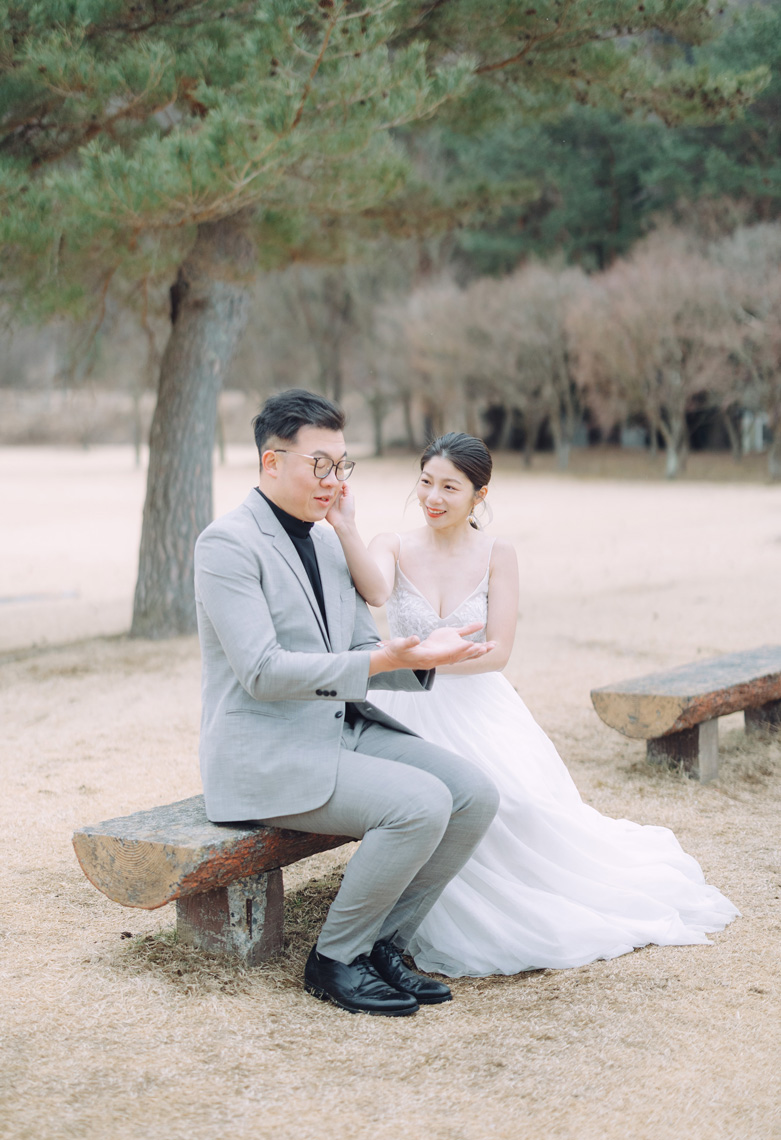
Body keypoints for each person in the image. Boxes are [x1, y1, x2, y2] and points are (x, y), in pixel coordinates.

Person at [325, 431, 739, 977]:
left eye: (450, 487)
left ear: (479, 494)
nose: (433, 497)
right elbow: (377, 592)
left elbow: (497, 653)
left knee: (520, 804)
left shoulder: (498, 553)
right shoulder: (393, 545)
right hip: (406, 705)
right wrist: (346, 527)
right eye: (426, 482)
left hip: (476, 704)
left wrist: (431, 660)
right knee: (423, 803)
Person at [193, 392, 500, 1015]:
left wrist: (420, 655)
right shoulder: (226, 544)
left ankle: (385, 944)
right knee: (419, 804)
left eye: (341, 465)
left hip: (340, 730)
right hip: (267, 753)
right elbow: (262, 671)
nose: (334, 480)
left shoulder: (331, 542)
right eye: (320, 465)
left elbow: (362, 647)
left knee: (474, 794)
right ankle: (336, 959)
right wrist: (378, 662)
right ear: (271, 461)